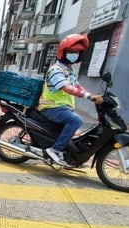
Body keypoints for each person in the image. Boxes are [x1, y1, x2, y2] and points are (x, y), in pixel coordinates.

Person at [39, 34, 103, 167]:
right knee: (76, 120)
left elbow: (76, 85)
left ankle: (71, 157)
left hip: (62, 108)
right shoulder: (56, 70)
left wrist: (91, 94)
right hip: (51, 108)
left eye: (77, 52)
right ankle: (55, 150)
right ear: (63, 52)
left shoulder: (69, 70)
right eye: (71, 52)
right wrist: (88, 97)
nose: (74, 54)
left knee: (75, 132)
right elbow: (66, 87)